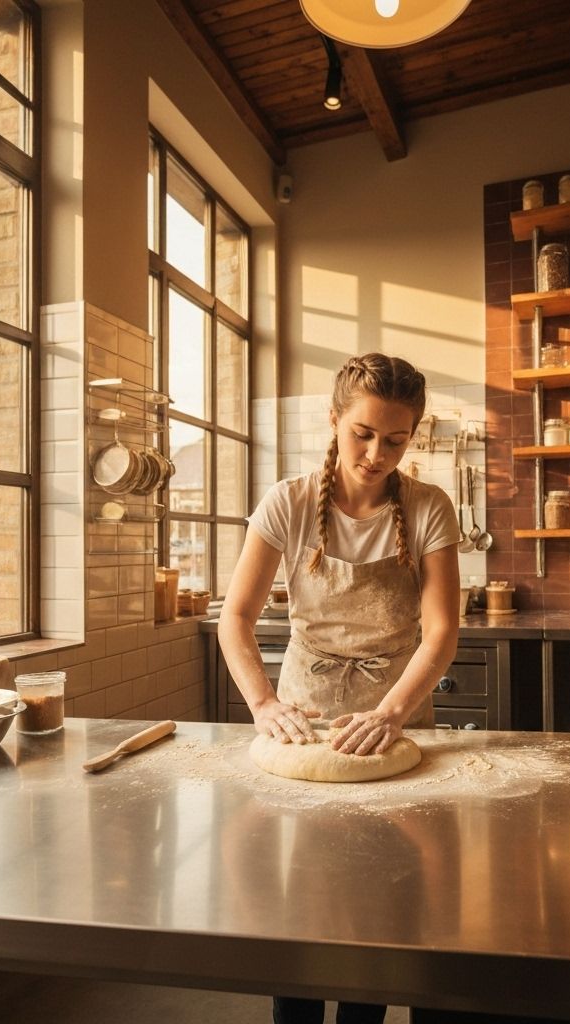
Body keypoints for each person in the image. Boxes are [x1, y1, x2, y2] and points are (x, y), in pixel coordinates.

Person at [219, 352, 461, 1024]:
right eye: (362, 433)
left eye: (395, 439)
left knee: (381, 906)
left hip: (398, 715)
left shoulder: (428, 508)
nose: (376, 453)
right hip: (305, 715)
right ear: (333, 420)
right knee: (301, 907)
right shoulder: (290, 502)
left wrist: (390, 713)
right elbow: (234, 618)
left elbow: (440, 634)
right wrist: (264, 705)